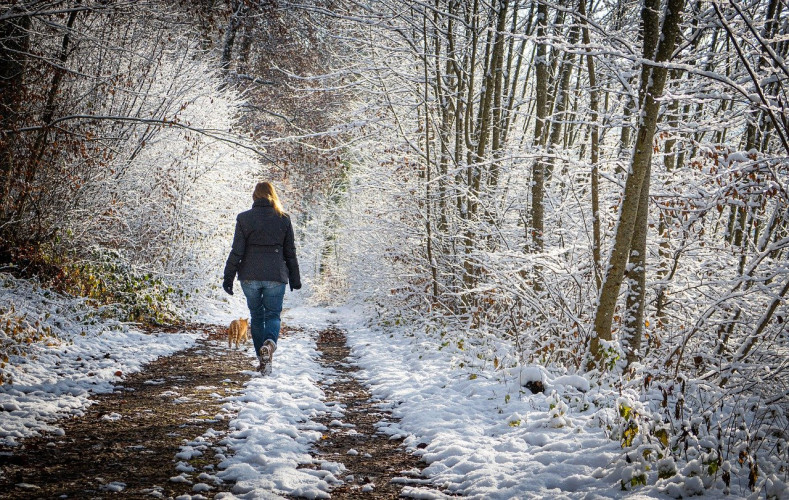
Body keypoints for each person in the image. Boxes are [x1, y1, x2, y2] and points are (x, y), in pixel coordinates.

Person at [223, 182, 301, 374]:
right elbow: (290, 252)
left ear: (254, 196)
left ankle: (262, 359)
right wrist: (295, 278)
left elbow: (237, 251)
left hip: (249, 276)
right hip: (275, 275)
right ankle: (269, 345)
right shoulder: (283, 219)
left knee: (257, 316)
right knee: (273, 314)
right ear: (272, 195)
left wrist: (228, 276)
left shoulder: (244, 219)